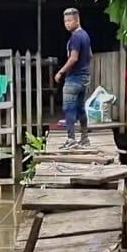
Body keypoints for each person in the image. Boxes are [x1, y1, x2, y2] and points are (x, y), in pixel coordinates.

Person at [53, 8, 92, 149]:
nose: (67, 24)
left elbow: (73, 58)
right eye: (65, 21)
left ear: (77, 20)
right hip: (84, 78)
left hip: (73, 79)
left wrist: (61, 72)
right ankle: (85, 138)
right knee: (81, 109)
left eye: (69, 20)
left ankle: (71, 139)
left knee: (69, 108)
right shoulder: (85, 36)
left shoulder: (75, 37)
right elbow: (90, 55)